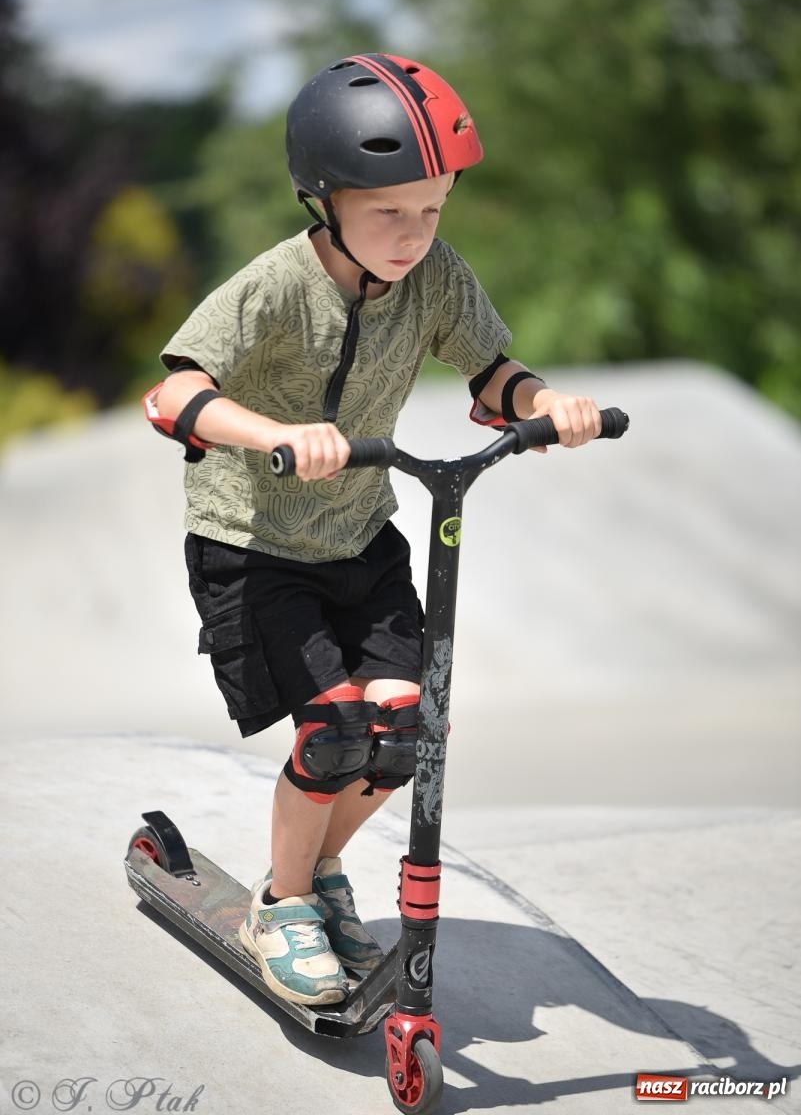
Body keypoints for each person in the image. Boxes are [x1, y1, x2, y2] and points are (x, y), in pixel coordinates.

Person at [145, 52, 601, 1007]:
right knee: (336, 730)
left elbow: (491, 374)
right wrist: (274, 434)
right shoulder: (271, 286)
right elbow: (174, 391)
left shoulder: (434, 276)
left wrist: (545, 402)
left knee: (400, 734)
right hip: (254, 545)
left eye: (431, 210)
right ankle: (284, 901)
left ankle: (315, 880)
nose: (413, 234)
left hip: (361, 536)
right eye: (389, 212)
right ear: (326, 198)